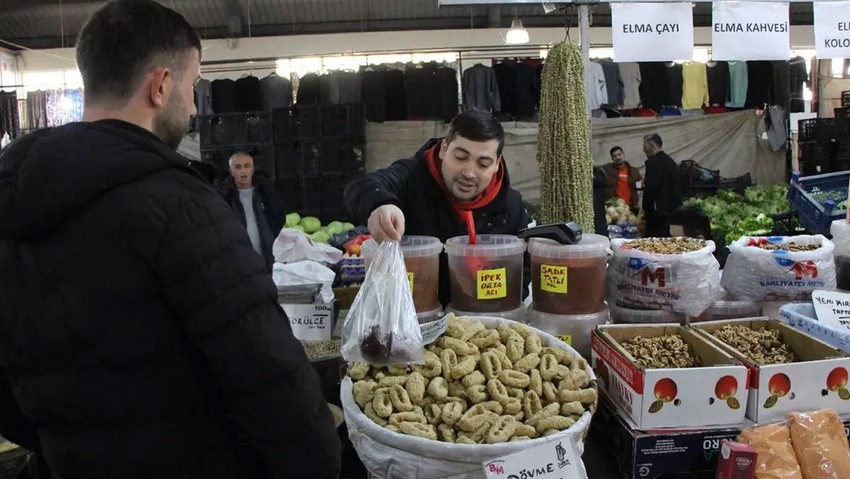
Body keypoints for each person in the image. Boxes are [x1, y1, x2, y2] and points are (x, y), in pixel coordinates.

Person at [0, 1, 340, 478]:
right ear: (161, 86)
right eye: (194, 85)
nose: (196, 104)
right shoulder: (182, 207)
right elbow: (268, 374)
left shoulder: (14, 202)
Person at [343, 110, 531, 306]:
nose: (469, 173)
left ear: (496, 164)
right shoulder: (411, 178)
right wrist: (380, 205)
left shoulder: (510, 207)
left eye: (483, 164)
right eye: (460, 157)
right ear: (444, 149)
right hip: (413, 315)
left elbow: (522, 274)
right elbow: (361, 185)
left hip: (481, 321)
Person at [217, 151, 286, 270]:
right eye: (238, 167)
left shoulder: (266, 192)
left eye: (247, 166)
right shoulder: (224, 197)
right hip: (239, 263)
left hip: (268, 258)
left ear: (253, 170)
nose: (243, 171)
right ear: (231, 172)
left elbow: (279, 217)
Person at [642, 133, 682, 237]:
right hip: (673, 211)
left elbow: (651, 188)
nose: (644, 150)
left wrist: (645, 208)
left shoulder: (653, 163)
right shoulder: (671, 162)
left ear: (652, 146)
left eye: (644, 146)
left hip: (657, 214)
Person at [602, 146, 642, 213]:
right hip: (615, 208)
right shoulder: (607, 169)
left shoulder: (633, 170)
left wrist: (642, 184)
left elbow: (639, 186)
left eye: (619, 154)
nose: (617, 157)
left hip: (631, 206)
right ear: (612, 158)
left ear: (623, 155)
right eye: (614, 156)